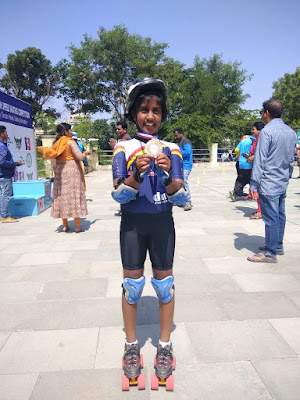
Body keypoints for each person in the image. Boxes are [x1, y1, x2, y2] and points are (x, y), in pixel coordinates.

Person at [111, 78, 186, 389]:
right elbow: (118, 194)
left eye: (156, 110)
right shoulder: (123, 147)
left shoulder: (173, 149)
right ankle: (132, 346)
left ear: (163, 114)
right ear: (133, 113)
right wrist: (136, 174)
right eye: (144, 109)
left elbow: (181, 197)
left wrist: (169, 175)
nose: (150, 116)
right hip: (132, 225)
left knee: (164, 286)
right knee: (132, 287)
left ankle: (164, 346)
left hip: (161, 224)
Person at [247, 99, 297, 263]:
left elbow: (260, 160)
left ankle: (270, 252)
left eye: (262, 112)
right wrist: (287, 176)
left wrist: (254, 183)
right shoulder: (290, 132)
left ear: (266, 113)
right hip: (282, 181)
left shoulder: (267, 132)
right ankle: (277, 245)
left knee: (271, 218)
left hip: (268, 182)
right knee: (280, 214)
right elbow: (292, 159)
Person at [38, 123, 90, 233]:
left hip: (60, 172)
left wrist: (57, 171)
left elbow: (53, 160)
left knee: (62, 197)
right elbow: (79, 156)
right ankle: (77, 226)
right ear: (65, 132)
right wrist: (86, 153)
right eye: (70, 130)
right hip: (72, 171)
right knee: (74, 196)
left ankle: (65, 226)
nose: (71, 132)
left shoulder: (56, 144)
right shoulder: (70, 142)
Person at [0, 126, 24, 223]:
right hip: (4, 175)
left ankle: (2, 215)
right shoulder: (2, 147)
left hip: (2, 175)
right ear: (2, 134)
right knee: (5, 195)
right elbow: (2, 162)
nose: (7, 134)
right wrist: (16, 163)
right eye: (5, 132)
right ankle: (5, 216)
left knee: (2, 195)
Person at [109, 121, 132, 217]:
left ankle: (126, 209)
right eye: (116, 129)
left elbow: (123, 155)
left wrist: (115, 147)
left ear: (125, 130)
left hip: (125, 170)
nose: (117, 131)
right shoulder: (123, 140)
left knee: (123, 188)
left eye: (119, 129)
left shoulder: (126, 140)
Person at [229, 133, 255, 201]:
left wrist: (238, 155)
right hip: (249, 162)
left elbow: (237, 150)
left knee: (242, 178)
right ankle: (253, 194)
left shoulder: (243, 140)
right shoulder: (253, 140)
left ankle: (237, 192)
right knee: (252, 179)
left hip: (241, 162)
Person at [246, 122, 265, 219]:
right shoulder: (256, 140)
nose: (252, 131)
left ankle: (260, 211)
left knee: (259, 189)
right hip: (255, 166)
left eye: (253, 129)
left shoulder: (262, 140)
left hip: (261, 168)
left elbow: (262, 153)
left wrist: (253, 157)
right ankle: (260, 209)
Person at [174, 128, 193, 211]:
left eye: (176, 135)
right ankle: (181, 200)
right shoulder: (179, 142)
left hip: (186, 165)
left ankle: (188, 202)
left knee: (184, 182)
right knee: (179, 183)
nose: (175, 137)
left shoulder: (186, 142)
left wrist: (177, 151)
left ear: (181, 134)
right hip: (180, 165)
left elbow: (188, 152)